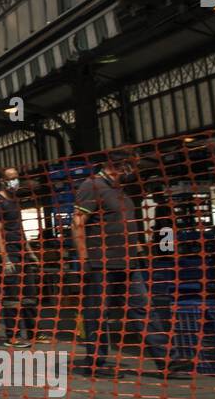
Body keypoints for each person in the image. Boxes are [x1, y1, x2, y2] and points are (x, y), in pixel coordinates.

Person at [71, 151, 184, 378]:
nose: (131, 169)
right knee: (98, 314)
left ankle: (168, 363)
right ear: (115, 164)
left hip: (129, 263)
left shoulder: (118, 189)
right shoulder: (92, 185)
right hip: (101, 263)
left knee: (144, 310)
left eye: (132, 164)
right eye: (127, 164)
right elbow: (77, 222)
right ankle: (96, 364)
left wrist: (139, 249)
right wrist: (84, 260)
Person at [0, 167, 50, 347]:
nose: (15, 181)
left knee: (30, 294)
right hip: (8, 254)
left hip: (22, 253)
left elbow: (19, 230)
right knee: (12, 297)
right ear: (2, 181)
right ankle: (12, 337)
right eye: (11, 178)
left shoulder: (14, 200)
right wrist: (5, 258)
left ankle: (34, 333)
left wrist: (30, 252)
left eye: (17, 178)